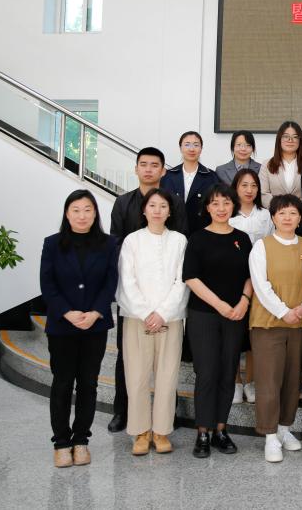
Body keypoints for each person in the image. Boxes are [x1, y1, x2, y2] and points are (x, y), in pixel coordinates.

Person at [107, 147, 187, 434]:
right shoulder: (123, 203)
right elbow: (115, 244)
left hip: (167, 303)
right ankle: (123, 412)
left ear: (163, 170)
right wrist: (141, 305)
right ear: (136, 168)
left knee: (167, 367)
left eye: (155, 165)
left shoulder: (174, 204)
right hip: (134, 299)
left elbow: (180, 251)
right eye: (144, 164)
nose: (149, 169)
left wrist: (163, 309)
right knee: (128, 361)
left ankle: (166, 418)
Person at [40, 189, 119, 468]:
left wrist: (96, 312)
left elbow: (111, 282)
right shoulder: (52, 243)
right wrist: (68, 312)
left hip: (95, 325)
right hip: (62, 325)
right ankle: (61, 442)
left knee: (89, 383)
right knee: (62, 382)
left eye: (87, 209)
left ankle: (81, 439)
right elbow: (47, 284)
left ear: (95, 213)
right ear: (67, 213)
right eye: (76, 210)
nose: (82, 215)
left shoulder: (109, 244)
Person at [183, 185, 254, 458]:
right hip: (204, 315)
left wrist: (244, 301)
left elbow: (251, 275)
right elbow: (191, 277)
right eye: (215, 203)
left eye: (226, 202)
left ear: (233, 205)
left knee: (228, 371)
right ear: (207, 208)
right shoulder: (198, 238)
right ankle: (203, 432)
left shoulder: (242, 238)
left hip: (236, 314)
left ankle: (221, 430)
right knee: (207, 373)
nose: (221, 208)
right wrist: (220, 305)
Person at [248, 194, 302, 462]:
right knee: (269, 380)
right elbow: (260, 285)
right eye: (282, 213)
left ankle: (285, 429)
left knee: (291, 379)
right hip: (268, 323)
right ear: (273, 217)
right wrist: (284, 311)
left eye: (293, 213)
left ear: (300, 218)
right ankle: (270, 436)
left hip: (299, 322)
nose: (287, 218)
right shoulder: (262, 246)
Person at [228, 168, 272, 406]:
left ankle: (251, 382)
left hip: (260, 280)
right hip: (234, 280)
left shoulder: (265, 215)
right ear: (236, 188)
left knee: (254, 333)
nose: (249, 190)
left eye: (254, 185)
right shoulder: (228, 214)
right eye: (244, 185)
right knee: (234, 333)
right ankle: (235, 382)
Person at [161, 131, 219, 235]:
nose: (191, 149)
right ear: (180, 148)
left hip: (202, 232)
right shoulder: (168, 176)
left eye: (196, 145)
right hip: (172, 232)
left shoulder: (211, 176)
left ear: (201, 148)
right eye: (187, 144)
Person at [259, 121, 302, 207]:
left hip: (301, 212)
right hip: (275, 212)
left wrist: (296, 208)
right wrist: (280, 208)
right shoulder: (266, 165)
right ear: (279, 139)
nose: (290, 140)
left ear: (300, 141)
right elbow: (263, 193)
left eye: (295, 137)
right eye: (286, 136)